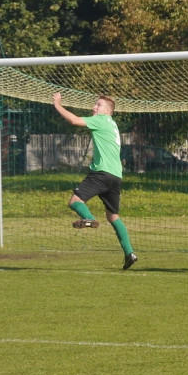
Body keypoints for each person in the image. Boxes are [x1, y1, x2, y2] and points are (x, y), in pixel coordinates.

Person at [52, 93, 138, 270]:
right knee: (113, 216)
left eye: (97, 105)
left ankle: (89, 218)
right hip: (116, 176)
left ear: (106, 111)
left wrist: (58, 105)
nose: (94, 108)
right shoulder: (113, 125)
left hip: (101, 173)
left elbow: (74, 121)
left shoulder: (102, 120)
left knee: (75, 201)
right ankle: (130, 253)